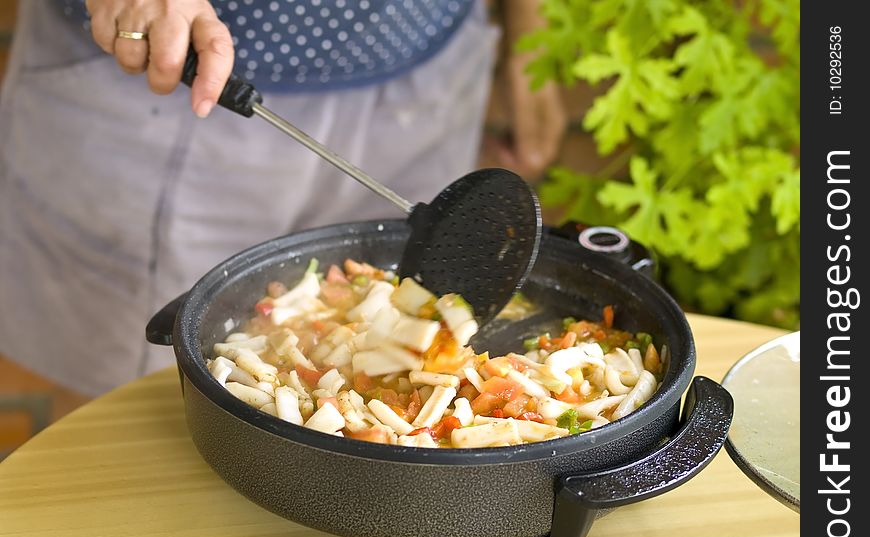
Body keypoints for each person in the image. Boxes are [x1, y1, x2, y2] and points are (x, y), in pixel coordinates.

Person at [0, 0, 566, 398]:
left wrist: (531, 30)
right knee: (129, 400)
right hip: (178, 74)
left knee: (401, 349)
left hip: (426, 67)